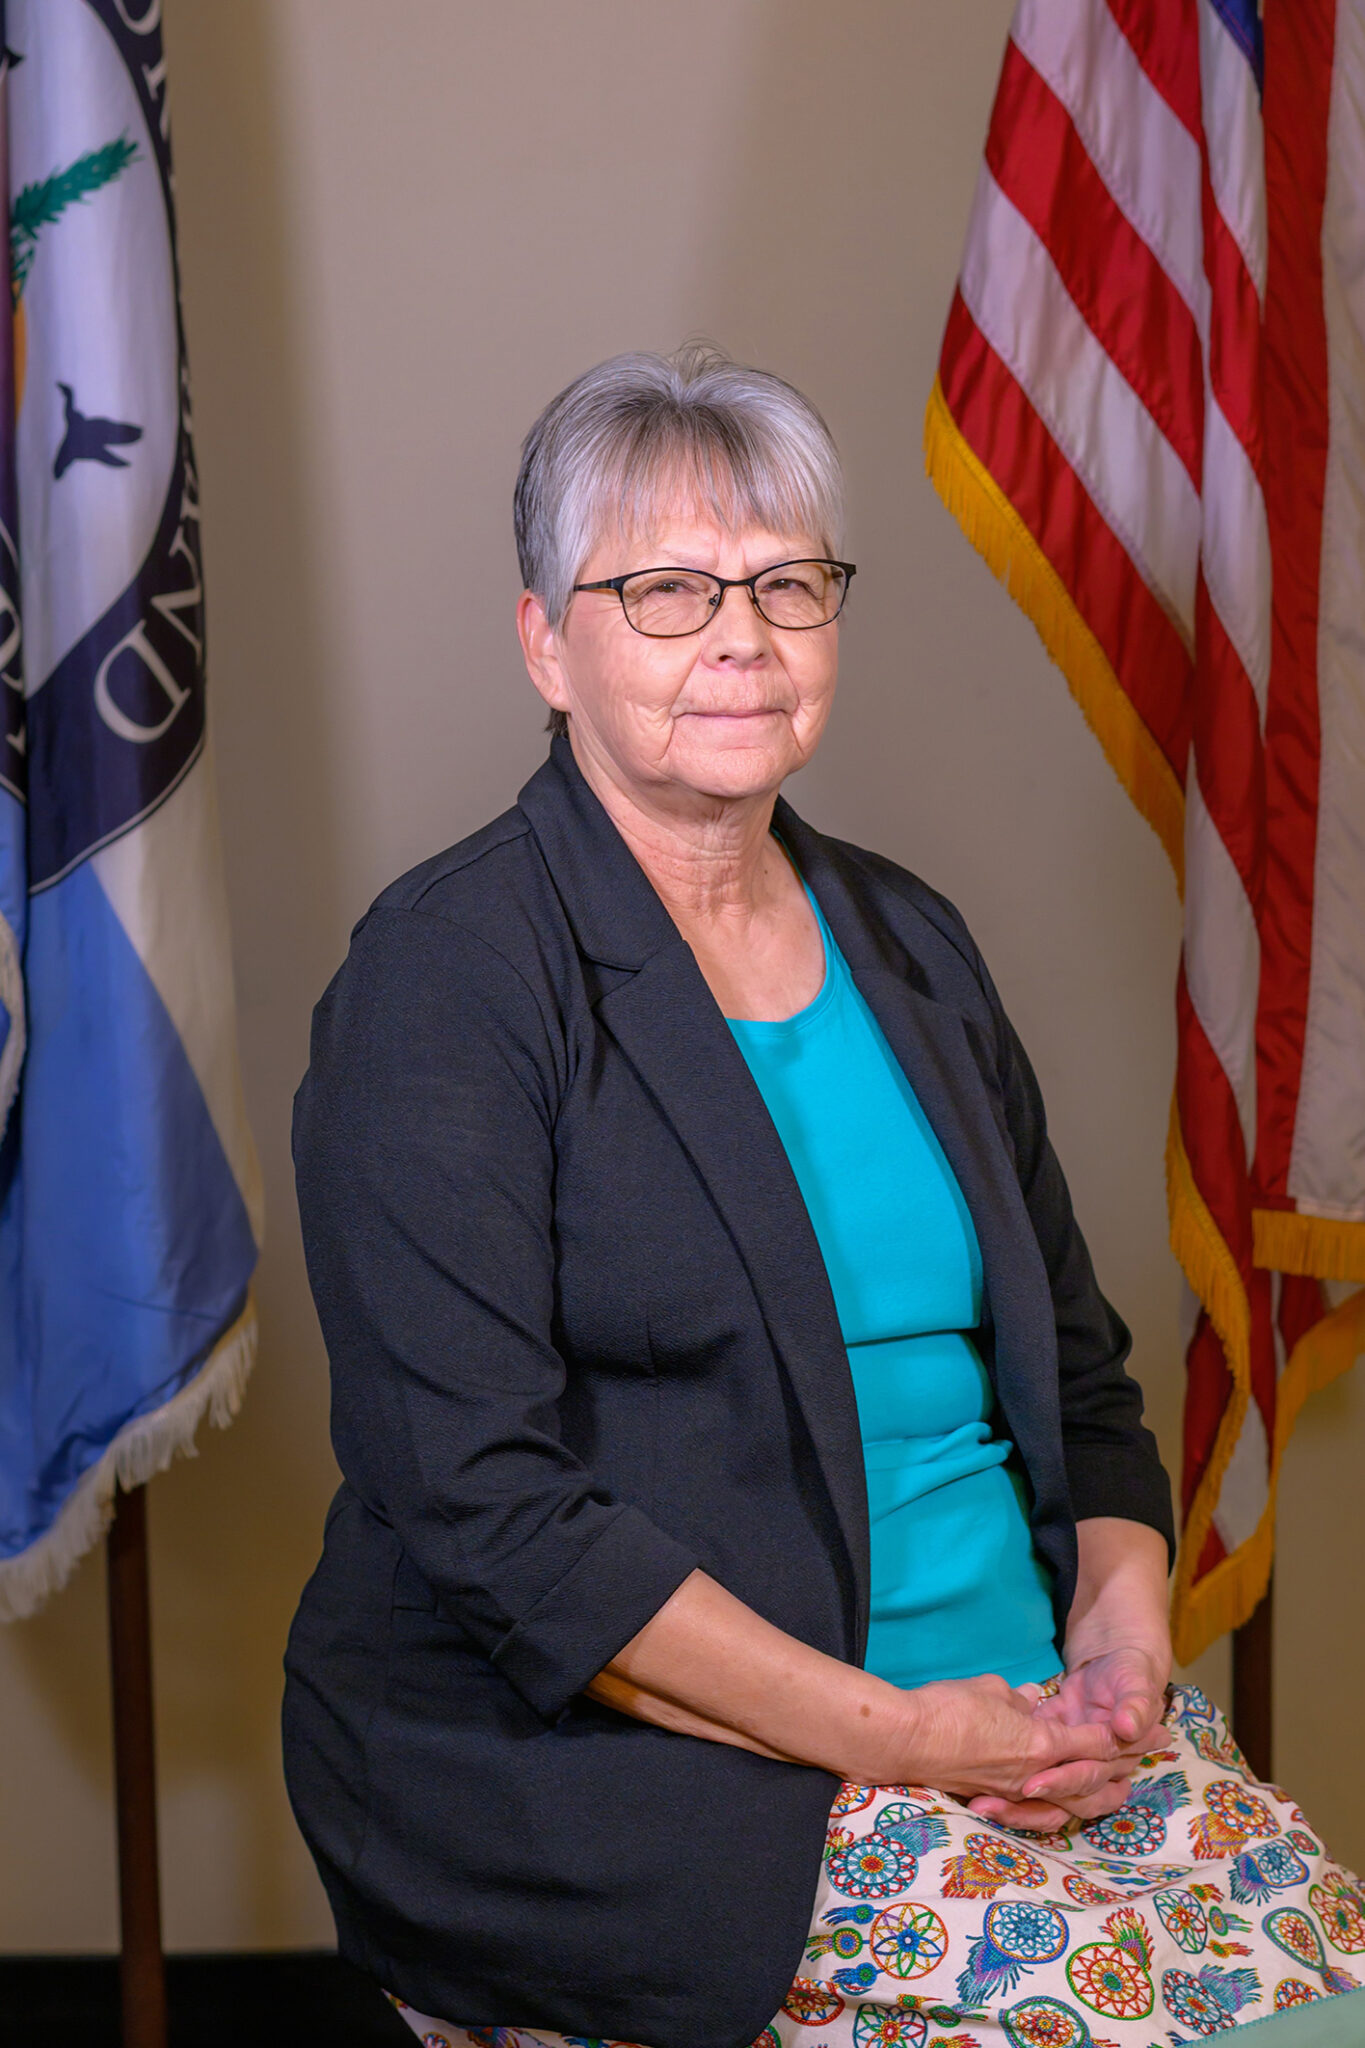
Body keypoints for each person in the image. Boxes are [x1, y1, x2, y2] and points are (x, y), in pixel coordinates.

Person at [284, 347, 1363, 2048]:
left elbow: (1079, 1384)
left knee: (1325, 2008)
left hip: (1029, 1723)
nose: (744, 638)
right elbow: (489, 1516)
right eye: (665, 591)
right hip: (675, 1775)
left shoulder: (908, 939)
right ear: (546, 646)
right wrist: (906, 1738)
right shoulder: (448, 979)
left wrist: (1120, 1649)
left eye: (787, 584)